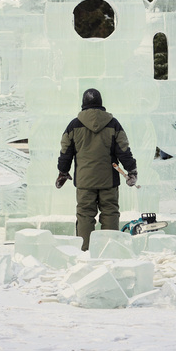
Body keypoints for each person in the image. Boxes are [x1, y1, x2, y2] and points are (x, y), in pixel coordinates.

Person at [56, 88, 137, 251]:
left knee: (85, 215)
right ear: (101, 104)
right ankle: (109, 249)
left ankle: (85, 250)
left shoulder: (73, 125)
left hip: (85, 181)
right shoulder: (113, 124)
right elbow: (123, 149)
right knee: (110, 213)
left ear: (83, 104)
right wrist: (131, 170)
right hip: (109, 180)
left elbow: (65, 152)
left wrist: (63, 171)